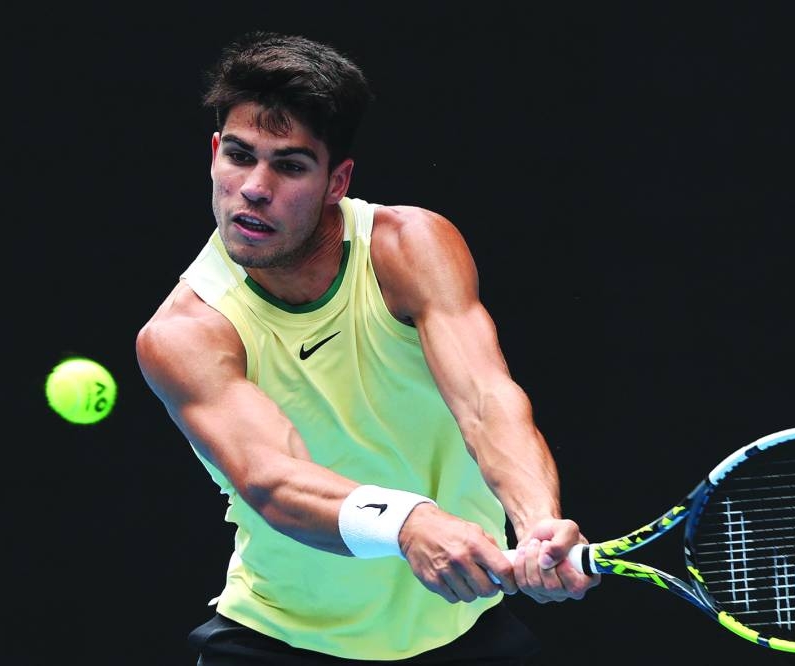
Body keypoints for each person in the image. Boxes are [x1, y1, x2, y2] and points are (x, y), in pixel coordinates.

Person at [135, 30, 600, 665]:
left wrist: (538, 520)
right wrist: (407, 522)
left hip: (461, 632)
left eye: (290, 165)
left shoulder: (410, 248)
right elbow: (274, 480)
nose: (254, 187)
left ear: (337, 180)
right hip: (280, 643)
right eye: (239, 156)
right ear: (215, 151)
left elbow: (486, 400)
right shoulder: (186, 333)